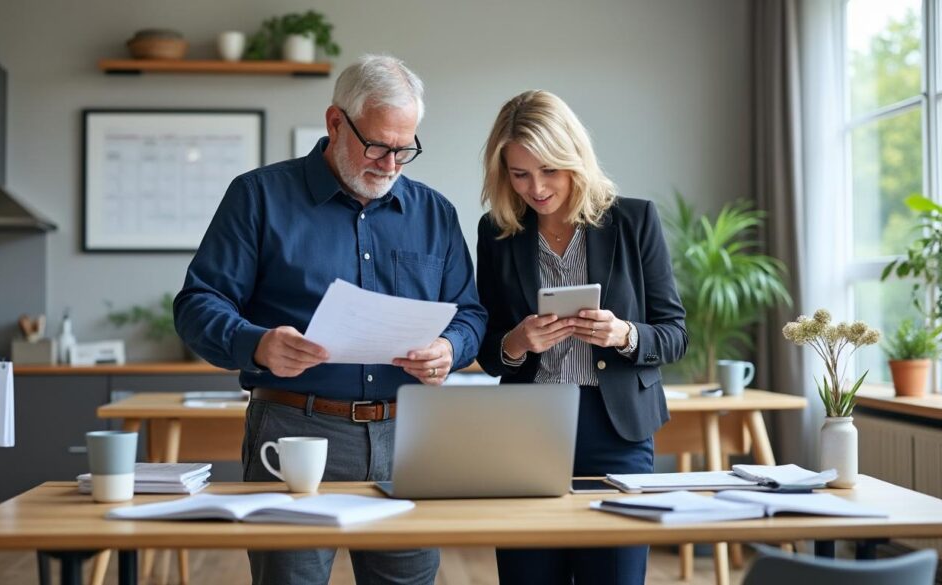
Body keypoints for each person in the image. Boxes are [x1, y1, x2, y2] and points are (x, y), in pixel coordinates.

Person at [174, 54, 487, 585]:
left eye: (404, 149)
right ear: (335, 122)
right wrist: (257, 344)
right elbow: (197, 304)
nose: (391, 164)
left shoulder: (435, 214)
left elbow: (470, 313)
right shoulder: (258, 197)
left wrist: (451, 349)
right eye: (378, 146)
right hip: (295, 432)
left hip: (408, 437)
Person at [476, 90, 687, 585]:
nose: (537, 187)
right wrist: (517, 342)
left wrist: (624, 334)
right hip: (526, 431)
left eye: (549, 169)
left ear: (574, 158)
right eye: (519, 173)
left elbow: (675, 334)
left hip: (616, 433)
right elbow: (485, 347)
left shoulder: (634, 221)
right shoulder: (496, 232)